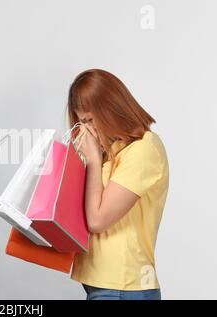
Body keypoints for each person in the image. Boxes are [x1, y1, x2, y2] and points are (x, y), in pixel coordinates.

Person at [67, 69, 169, 300]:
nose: (87, 130)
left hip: (125, 286)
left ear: (112, 109)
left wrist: (92, 160)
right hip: (104, 284)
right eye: (82, 122)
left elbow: (97, 220)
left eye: (91, 120)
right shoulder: (113, 150)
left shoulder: (144, 149)